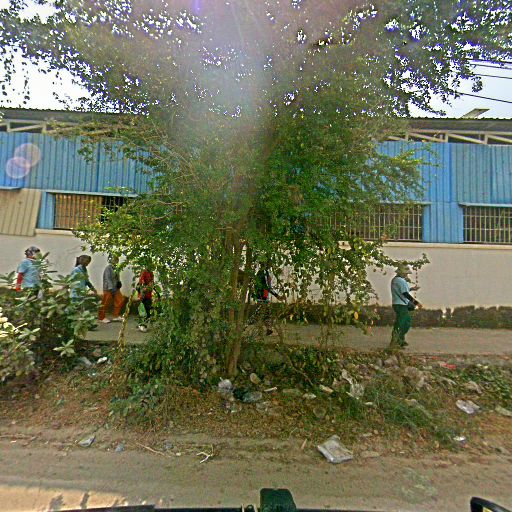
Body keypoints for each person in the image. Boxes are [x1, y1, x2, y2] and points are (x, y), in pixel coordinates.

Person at [390, 263, 422, 349]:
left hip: (399, 303)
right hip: (401, 304)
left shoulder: (396, 280)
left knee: (404, 322)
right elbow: (405, 294)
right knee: (402, 323)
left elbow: (402, 291)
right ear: (402, 273)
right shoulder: (400, 281)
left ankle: (400, 340)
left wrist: (411, 289)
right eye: (406, 273)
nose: (407, 275)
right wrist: (416, 303)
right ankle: (395, 341)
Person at [253, 267, 283, 336]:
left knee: (263, 314)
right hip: (263, 298)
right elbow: (267, 287)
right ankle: (264, 329)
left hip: (261, 297)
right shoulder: (264, 272)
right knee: (263, 314)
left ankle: (266, 329)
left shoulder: (261, 272)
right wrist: (277, 296)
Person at [98, 256, 124, 323]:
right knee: (105, 302)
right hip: (108, 288)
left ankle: (116, 316)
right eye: (114, 260)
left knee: (120, 300)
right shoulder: (108, 268)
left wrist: (119, 282)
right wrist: (110, 288)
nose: (116, 261)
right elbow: (107, 278)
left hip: (115, 287)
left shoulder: (116, 268)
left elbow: (117, 277)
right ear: (111, 260)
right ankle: (101, 318)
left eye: (117, 260)